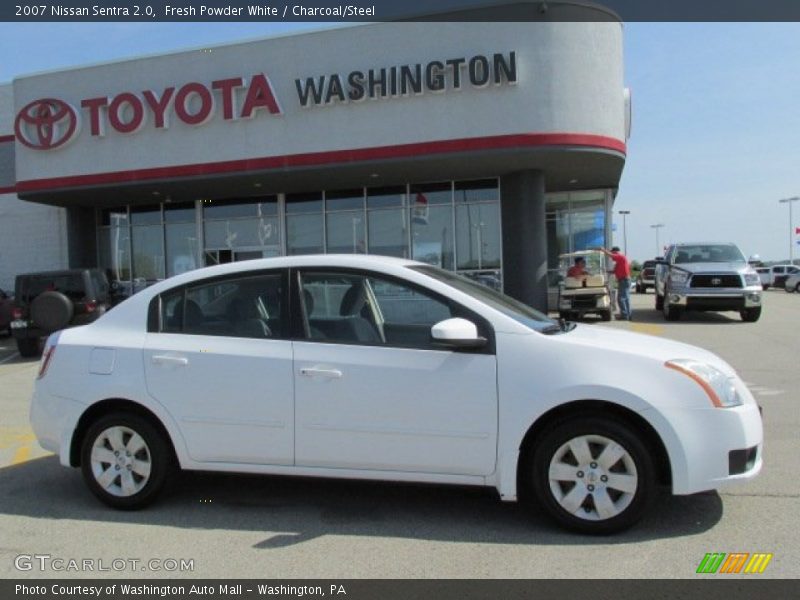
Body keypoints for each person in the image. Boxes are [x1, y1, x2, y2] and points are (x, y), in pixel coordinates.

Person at [598, 246, 632, 320]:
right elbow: (614, 271)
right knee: (626, 298)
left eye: (612, 252)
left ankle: (624, 315)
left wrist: (603, 250)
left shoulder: (620, 257)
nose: (612, 258)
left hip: (624, 280)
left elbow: (611, 255)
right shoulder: (619, 261)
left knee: (621, 298)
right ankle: (628, 314)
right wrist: (606, 271)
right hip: (624, 280)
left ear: (615, 252)